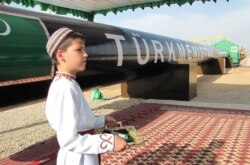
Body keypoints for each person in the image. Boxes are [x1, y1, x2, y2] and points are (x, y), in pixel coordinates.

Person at [45, 27, 127, 165]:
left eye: (84, 49)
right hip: (77, 159)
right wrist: (108, 142)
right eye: (79, 50)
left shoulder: (69, 82)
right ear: (61, 55)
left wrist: (101, 120)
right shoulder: (65, 88)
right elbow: (68, 140)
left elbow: (79, 119)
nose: (85, 54)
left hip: (83, 154)